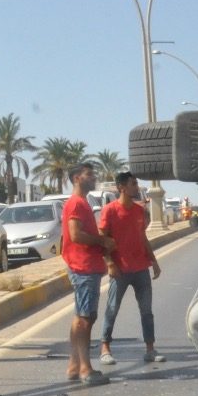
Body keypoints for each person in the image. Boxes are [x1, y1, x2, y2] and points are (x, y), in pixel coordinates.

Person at [61, 163, 118, 384]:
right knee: (86, 319)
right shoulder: (76, 203)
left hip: (86, 267)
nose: (93, 177)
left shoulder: (82, 202)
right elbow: (76, 235)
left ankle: (74, 367)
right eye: (88, 174)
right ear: (76, 178)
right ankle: (85, 369)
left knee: (81, 317)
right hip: (83, 267)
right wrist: (103, 240)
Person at [99, 171, 163, 364]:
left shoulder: (137, 210)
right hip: (120, 270)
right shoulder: (110, 210)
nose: (137, 187)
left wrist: (154, 261)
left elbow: (143, 238)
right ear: (122, 188)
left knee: (146, 310)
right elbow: (102, 239)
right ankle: (105, 349)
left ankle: (150, 349)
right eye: (134, 184)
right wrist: (109, 263)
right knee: (112, 308)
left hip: (141, 269)